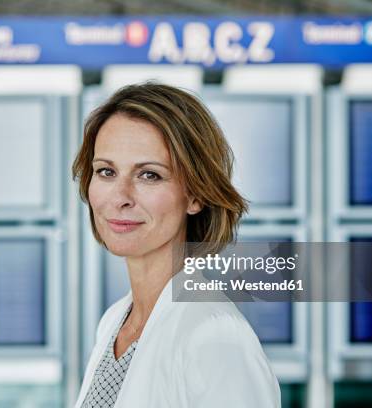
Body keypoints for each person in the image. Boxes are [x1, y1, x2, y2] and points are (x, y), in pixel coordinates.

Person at [72, 83, 281, 407]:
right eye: (106, 171)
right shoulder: (115, 322)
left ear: (196, 194)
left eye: (149, 175)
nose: (120, 197)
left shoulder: (216, 336)